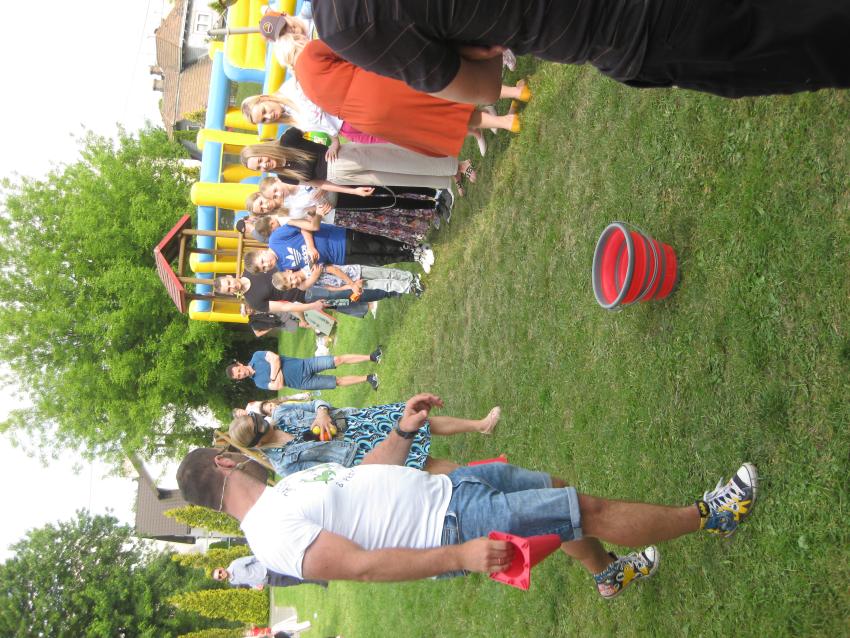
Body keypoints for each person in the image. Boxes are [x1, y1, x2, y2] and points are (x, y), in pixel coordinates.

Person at [176, 394, 758, 598]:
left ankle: (608, 573)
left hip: (450, 488)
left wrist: (403, 432)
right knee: (586, 511)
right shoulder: (271, 534)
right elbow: (363, 567)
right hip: (455, 526)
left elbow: (365, 476)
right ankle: (714, 514)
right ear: (226, 462)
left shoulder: (284, 491)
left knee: (559, 495)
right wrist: (460, 554)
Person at [301, 0, 850, 101]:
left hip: (632, 26)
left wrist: (478, 48)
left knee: (816, 36)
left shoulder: (348, 18)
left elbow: (480, 87)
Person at [293, 39, 527, 158]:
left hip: (368, 118)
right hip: (377, 87)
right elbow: (352, 49)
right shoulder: (310, 53)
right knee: (447, 93)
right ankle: (514, 97)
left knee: (441, 116)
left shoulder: (304, 88)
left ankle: (505, 121)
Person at [227, 395, 500, 476]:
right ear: (257, 441)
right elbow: (328, 475)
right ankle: (482, 475)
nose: (264, 419)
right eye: (258, 423)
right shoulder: (284, 465)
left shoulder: (283, 414)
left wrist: (322, 412)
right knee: (423, 463)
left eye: (257, 416)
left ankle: (481, 425)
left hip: (359, 421)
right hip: (360, 455)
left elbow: (317, 403)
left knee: (419, 422)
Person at [240, 125, 475, 192]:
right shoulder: (285, 176)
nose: (264, 164)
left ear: (262, 151)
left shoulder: (288, 139)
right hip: (342, 177)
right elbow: (319, 184)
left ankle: (457, 165)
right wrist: (352, 191)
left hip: (345, 157)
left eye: (260, 159)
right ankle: (447, 178)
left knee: (401, 161)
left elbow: (319, 126)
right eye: (258, 167)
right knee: (399, 178)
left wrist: (334, 142)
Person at [243, 222, 435, 274]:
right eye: (264, 268)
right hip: (340, 258)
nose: (267, 264)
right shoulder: (283, 268)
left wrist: (310, 247)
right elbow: (307, 270)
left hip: (338, 239)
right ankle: (414, 257)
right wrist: (313, 267)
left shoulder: (276, 239)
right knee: (378, 260)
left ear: (261, 252)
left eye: (263, 261)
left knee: (379, 245)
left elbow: (302, 225)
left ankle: (418, 248)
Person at [226, 348, 382, 392]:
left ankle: (372, 357)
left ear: (239, 364)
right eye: (238, 376)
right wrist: (276, 368)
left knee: (337, 360)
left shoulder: (256, 356)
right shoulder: (258, 383)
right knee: (337, 382)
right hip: (304, 383)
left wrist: (274, 374)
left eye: (238, 371)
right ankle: (369, 378)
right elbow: (278, 386)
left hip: (304, 365)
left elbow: (275, 358)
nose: (241, 374)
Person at [273, 263, 424, 299]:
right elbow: (328, 287)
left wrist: (351, 283)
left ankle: (410, 277)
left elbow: (334, 270)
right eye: (291, 285)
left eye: (290, 279)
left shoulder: (310, 266)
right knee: (382, 284)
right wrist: (349, 287)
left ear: (288, 271)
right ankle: (410, 287)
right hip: (351, 285)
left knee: (384, 273)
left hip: (354, 272)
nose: (294, 282)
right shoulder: (304, 286)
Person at [212, 554, 328, 589]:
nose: (221, 574)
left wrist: (269, 560)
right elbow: (248, 581)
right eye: (219, 577)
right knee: (295, 581)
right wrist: (255, 586)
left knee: (294, 571)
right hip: (269, 581)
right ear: (221, 580)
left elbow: (253, 558)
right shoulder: (232, 581)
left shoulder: (235, 564)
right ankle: (320, 581)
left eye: (219, 572)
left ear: (221, 568)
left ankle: (320, 571)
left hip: (269, 569)